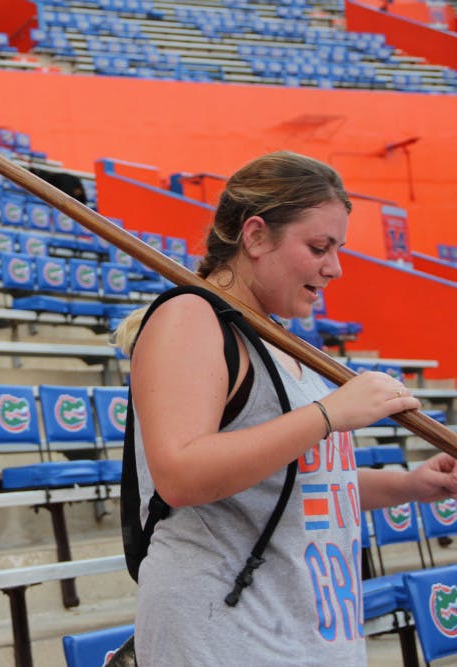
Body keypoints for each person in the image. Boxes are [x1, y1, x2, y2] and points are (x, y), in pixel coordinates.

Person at [114, 151, 457, 665]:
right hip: (225, 635)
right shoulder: (191, 317)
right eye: (319, 247)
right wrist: (328, 415)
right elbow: (180, 475)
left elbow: (291, 482)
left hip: (306, 631)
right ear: (255, 236)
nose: (335, 268)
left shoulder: (284, 343)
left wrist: (410, 485)